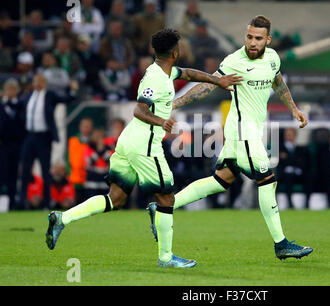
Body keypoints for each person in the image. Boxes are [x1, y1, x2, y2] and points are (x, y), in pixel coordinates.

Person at [45, 29, 242, 268]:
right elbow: (139, 110)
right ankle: (166, 258)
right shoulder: (155, 78)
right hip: (145, 145)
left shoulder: (161, 70)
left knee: (115, 199)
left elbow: (188, 74)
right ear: (175, 51)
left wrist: (216, 79)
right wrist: (162, 121)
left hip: (129, 141)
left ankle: (62, 218)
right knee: (167, 199)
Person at [147, 16, 313, 261]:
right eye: (249, 37)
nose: (252, 43)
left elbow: (277, 82)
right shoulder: (234, 61)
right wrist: (176, 103)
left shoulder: (272, 58)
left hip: (250, 132)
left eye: (258, 38)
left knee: (220, 181)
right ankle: (281, 244)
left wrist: (293, 109)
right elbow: (209, 85)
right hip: (242, 132)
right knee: (267, 180)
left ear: (267, 39)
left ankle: (163, 205)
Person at [18, 74, 78, 210]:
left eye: (41, 81)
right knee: (25, 169)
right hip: (29, 136)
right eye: (36, 81)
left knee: (46, 171)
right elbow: (18, 108)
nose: (38, 83)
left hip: (44, 137)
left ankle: (46, 201)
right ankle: (22, 200)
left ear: (45, 83)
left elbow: (66, 99)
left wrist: (72, 90)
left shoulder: (50, 95)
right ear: (33, 82)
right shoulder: (28, 96)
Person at [0, 79, 25, 209]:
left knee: (13, 175)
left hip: (16, 145)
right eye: (8, 89)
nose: (10, 92)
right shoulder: (1, 105)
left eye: (12, 89)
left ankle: (11, 203)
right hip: (2, 145)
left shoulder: (21, 106)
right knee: (2, 173)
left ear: (16, 91)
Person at [277, 128, 311, 209]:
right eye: (287, 134)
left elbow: (303, 162)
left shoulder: (300, 149)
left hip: (298, 174)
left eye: (290, 134)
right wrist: (294, 160)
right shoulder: (279, 148)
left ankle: (307, 203)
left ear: (295, 136)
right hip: (284, 175)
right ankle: (290, 203)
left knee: (309, 177)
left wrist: (288, 158)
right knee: (288, 176)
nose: (288, 136)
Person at [68, 117, 93, 203]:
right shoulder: (73, 140)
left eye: (88, 126)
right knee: (77, 202)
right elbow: (68, 158)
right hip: (76, 177)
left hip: (89, 177)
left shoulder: (93, 141)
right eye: (84, 126)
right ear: (80, 127)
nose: (86, 128)